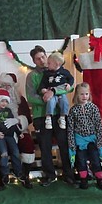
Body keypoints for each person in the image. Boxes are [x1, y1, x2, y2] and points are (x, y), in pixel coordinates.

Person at [26, 45, 75, 186]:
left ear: (47, 56)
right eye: (37, 59)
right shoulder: (32, 76)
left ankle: (68, 173)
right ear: (34, 61)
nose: (41, 60)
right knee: (45, 146)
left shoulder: (59, 71)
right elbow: (30, 97)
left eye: (43, 57)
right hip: (41, 116)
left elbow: (69, 87)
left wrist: (53, 92)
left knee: (64, 144)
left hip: (59, 114)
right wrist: (46, 98)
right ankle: (49, 174)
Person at [0, 72, 35, 189]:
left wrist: (17, 121)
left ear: (13, 87)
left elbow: (27, 117)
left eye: (9, 86)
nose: (7, 88)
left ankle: (24, 176)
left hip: (19, 130)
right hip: (0, 133)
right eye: (3, 85)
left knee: (27, 143)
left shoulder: (20, 100)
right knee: (1, 149)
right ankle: (2, 178)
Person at [67, 82, 102, 190]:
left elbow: (98, 125)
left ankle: (100, 179)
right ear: (76, 95)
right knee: (81, 160)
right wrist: (72, 144)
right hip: (80, 140)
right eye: (81, 94)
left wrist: (99, 141)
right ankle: (83, 179)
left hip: (92, 139)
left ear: (89, 94)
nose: (84, 96)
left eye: (86, 94)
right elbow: (70, 128)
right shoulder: (73, 110)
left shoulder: (93, 108)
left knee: (95, 158)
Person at [0, 88, 23, 191]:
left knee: (15, 151)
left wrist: (19, 133)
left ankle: (18, 171)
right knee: (4, 153)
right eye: (2, 100)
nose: (4, 103)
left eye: (6, 101)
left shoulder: (8, 111)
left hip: (9, 135)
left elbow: (13, 124)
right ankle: (4, 174)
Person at [38, 51, 74, 129]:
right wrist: (43, 89)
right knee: (50, 102)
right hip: (51, 93)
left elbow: (71, 79)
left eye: (49, 63)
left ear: (57, 64)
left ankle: (63, 117)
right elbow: (43, 82)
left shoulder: (64, 72)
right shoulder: (47, 73)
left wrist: (69, 84)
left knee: (65, 102)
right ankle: (48, 118)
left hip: (61, 93)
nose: (47, 65)